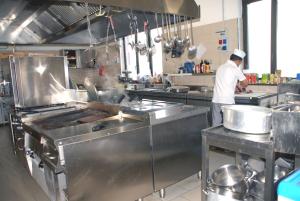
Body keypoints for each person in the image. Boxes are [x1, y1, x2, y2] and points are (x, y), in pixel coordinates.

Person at [212, 49, 248, 126]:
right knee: (230, 124)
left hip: (216, 99)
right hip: (227, 100)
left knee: (216, 123)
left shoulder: (221, 67)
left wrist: (235, 86)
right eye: (240, 62)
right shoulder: (235, 68)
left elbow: (225, 81)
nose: (239, 64)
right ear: (238, 61)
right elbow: (245, 83)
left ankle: (214, 137)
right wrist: (241, 84)